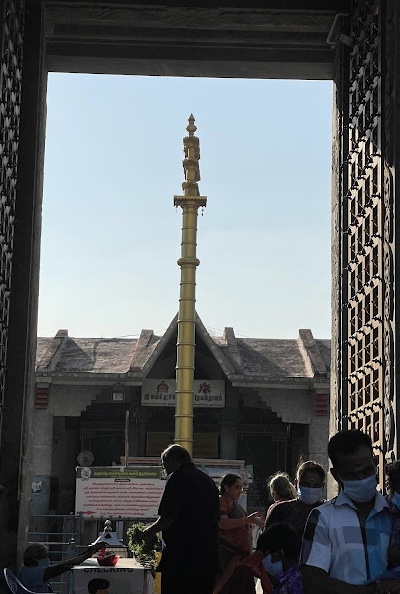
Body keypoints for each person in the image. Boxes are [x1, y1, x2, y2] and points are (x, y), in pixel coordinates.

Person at [301, 429, 400, 594]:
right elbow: (312, 580)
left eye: (367, 471)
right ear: (336, 476)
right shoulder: (324, 518)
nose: (362, 479)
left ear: (375, 463)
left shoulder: (394, 514)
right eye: (352, 475)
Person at [141, 444, 220, 594]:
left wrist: (148, 532)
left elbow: (168, 517)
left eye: (166, 466)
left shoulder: (177, 478)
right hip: (207, 558)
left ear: (175, 462)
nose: (166, 471)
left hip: (182, 559)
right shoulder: (208, 481)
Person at [216, 473, 264, 594]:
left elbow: (242, 524)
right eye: (237, 487)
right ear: (227, 488)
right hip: (228, 556)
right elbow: (223, 523)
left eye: (241, 488)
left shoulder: (237, 506)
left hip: (242, 557)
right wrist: (248, 520)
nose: (240, 491)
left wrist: (254, 522)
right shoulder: (221, 501)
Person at [265, 461, 325, 538]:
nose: (311, 489)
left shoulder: (329, 513)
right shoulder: (280, 511)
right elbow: (265, 544)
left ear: (323, 486)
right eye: (306, 484)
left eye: (316, 485)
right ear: (296, 483)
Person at [18, 542, 104, 593]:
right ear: (34, 558)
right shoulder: (30, 574)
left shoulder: (32, 572)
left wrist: (88, 553)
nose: (47, 559)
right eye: (44, 556)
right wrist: (86, 555)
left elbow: (64, 565)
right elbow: (60, 568)